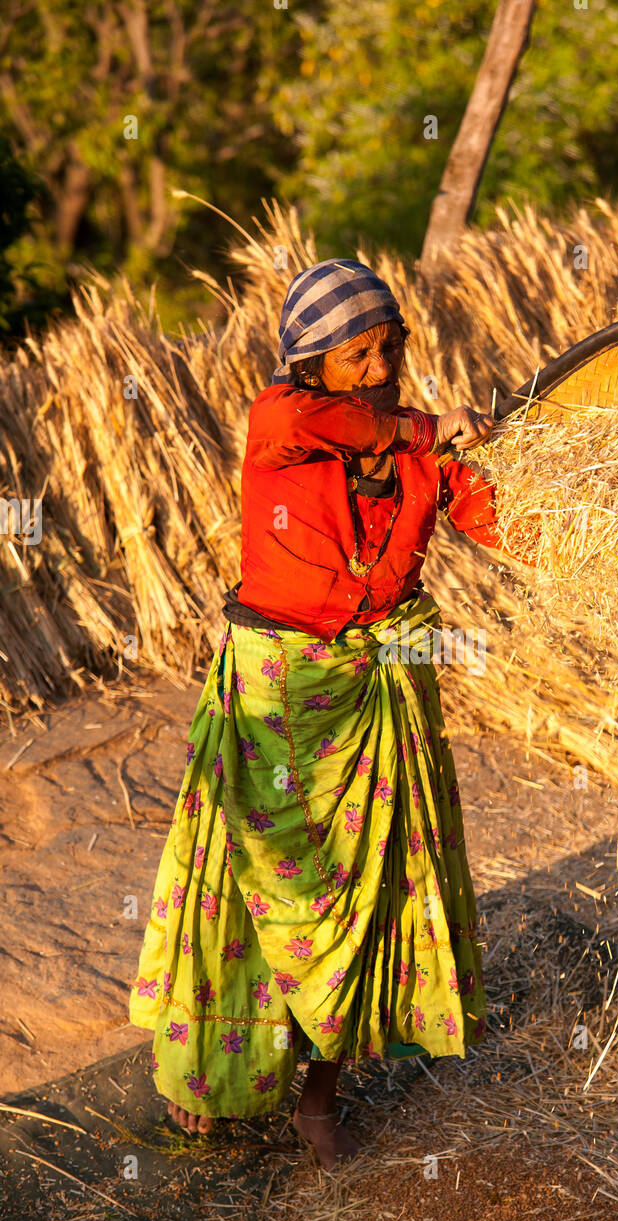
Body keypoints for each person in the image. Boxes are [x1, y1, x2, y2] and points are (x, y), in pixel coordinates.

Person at [129, 258, 531, 1170]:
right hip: (279, 684)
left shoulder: (418, 448)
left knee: (369, 893)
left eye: (391, 346)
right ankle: (213, 1073)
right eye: (360, 352)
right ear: (312, 361)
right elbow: (330, 422)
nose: (382, 364)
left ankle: (319, 1102)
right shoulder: (285, 420)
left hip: (383, 683)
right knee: (260, 882)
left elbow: (505, 523)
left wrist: (599, 521)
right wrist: (430, 428)